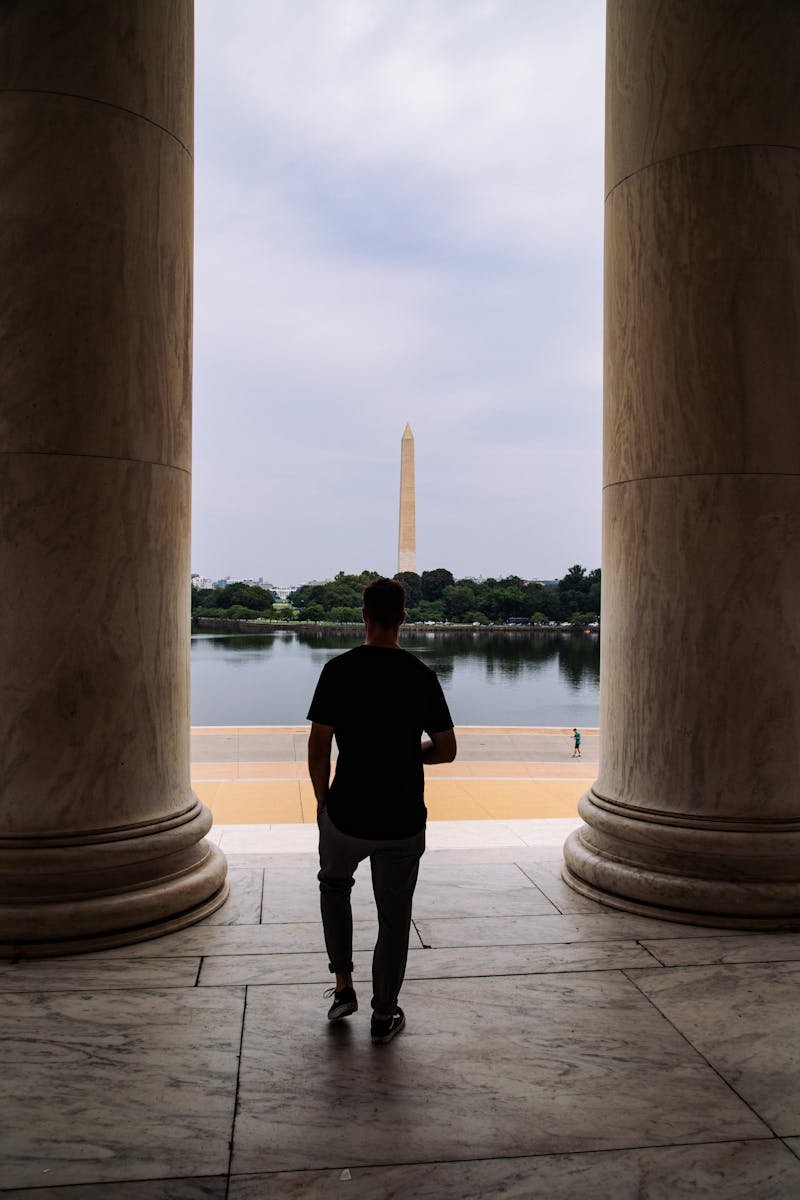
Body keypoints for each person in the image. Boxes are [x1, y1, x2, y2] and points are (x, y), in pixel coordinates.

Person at [307, 577, 456, 1044]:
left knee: (334, 888)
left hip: (347, 810)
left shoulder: (338, 669)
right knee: (394, 917)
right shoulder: (421, 675)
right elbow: (448, 749)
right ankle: (383, 1013)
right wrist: (411, 754)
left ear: (363, 617)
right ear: (404, 621)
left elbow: (319, 744)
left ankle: (343, 986)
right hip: (402, 816)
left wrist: (321, 800)